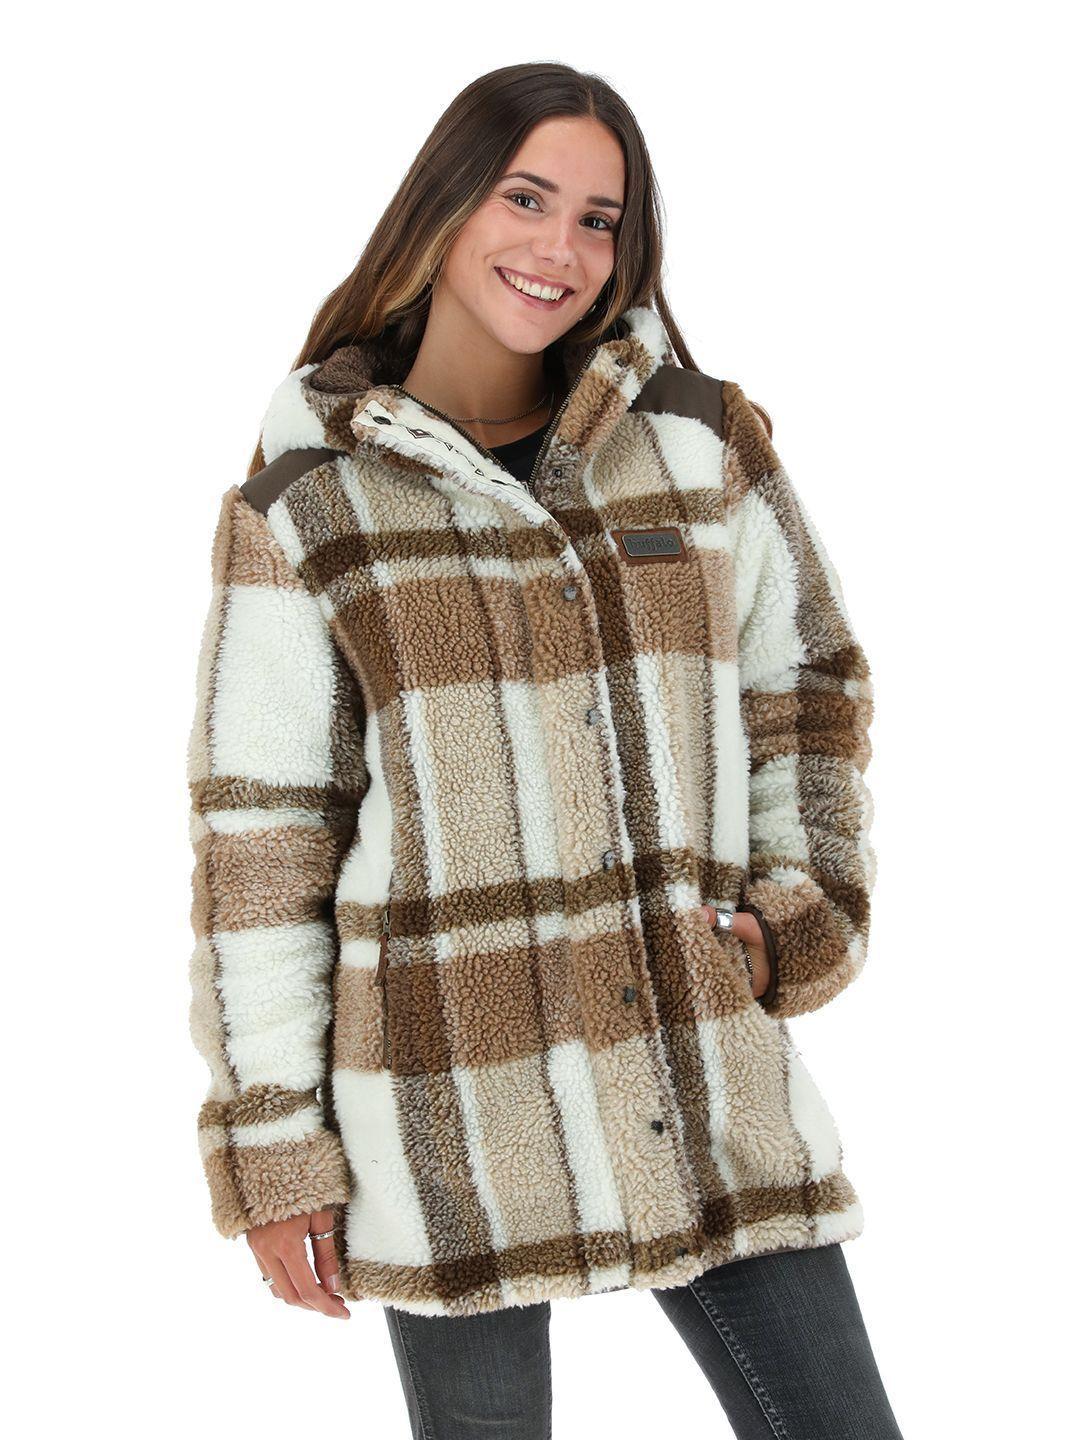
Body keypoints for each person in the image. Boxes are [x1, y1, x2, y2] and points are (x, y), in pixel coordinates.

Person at [186, 61, 902, 1440]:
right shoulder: (305, 505)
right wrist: (276, 1145)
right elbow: (262, 846)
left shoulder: (696, 446)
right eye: (526, 199)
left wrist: (791, 922)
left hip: (698, 1057)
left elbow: (806, 686)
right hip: (443, 1094)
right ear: (445, 207)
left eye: (598, 219)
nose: (560, 249)